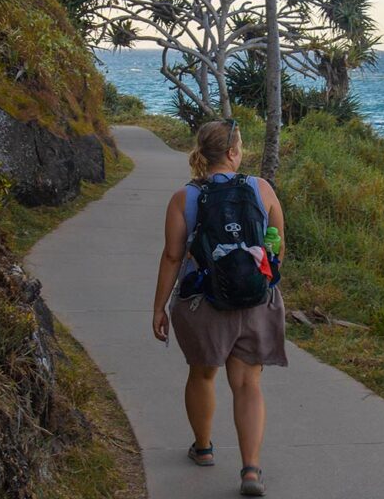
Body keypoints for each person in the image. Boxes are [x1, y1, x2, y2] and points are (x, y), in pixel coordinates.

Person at [151, 119, 288, 496]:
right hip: (255, 301)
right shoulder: (262, 189)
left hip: (203, 302)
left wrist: (159, 307)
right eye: (240, 146)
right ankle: (250, 470)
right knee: (247, 383)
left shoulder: (185, 197)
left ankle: (204, 448)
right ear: (232, 153)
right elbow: (277, 248)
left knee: (202, 375)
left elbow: (172, 255)